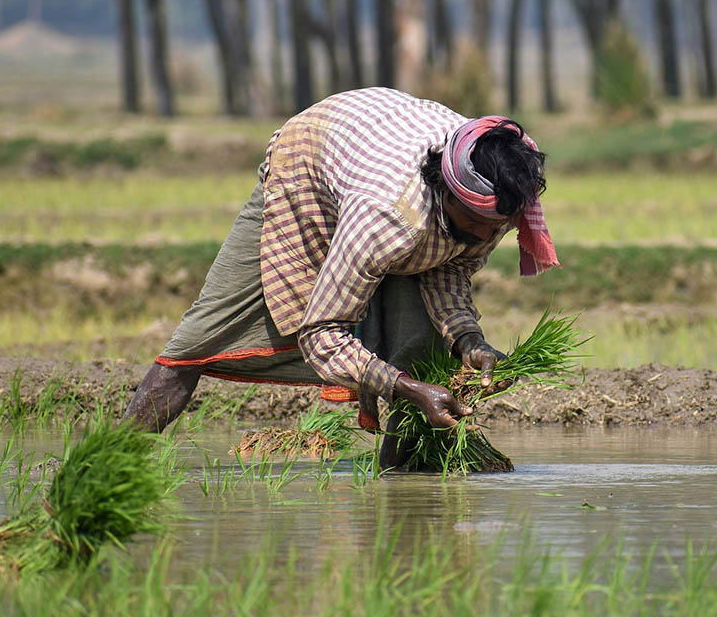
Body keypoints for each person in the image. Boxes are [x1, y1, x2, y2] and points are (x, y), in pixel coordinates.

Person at [123, 87, 557, 461]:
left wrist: (468, 340)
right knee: (201, 337)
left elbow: (450, 266)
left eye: (495, 227)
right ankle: (111, 462)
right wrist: (407, 389)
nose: (484, 236)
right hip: (309, 164)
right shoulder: (386, 216)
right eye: (476, 223)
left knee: (422, 345)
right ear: (445, 190)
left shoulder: (492, 197)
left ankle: (401, 484)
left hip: (375, 143)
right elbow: (322, 334)